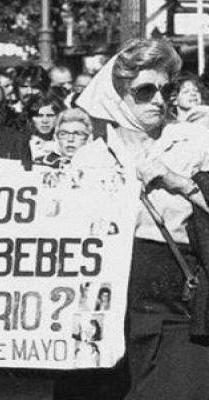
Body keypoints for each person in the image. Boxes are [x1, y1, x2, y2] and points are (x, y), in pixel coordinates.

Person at [73, 38, 209, 400]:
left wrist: (180, 183)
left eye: (168, 89)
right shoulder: (90, 157)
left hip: (178, 297)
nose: (159, 99)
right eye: (145, 90)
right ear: (117, 93)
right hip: (108, 307)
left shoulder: (195, 142)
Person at [25, 93, 65, 163]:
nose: (45, 120)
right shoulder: (24, 143)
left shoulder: (66, 142)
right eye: (39, 116)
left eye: (50, 115)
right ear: (31, 118)